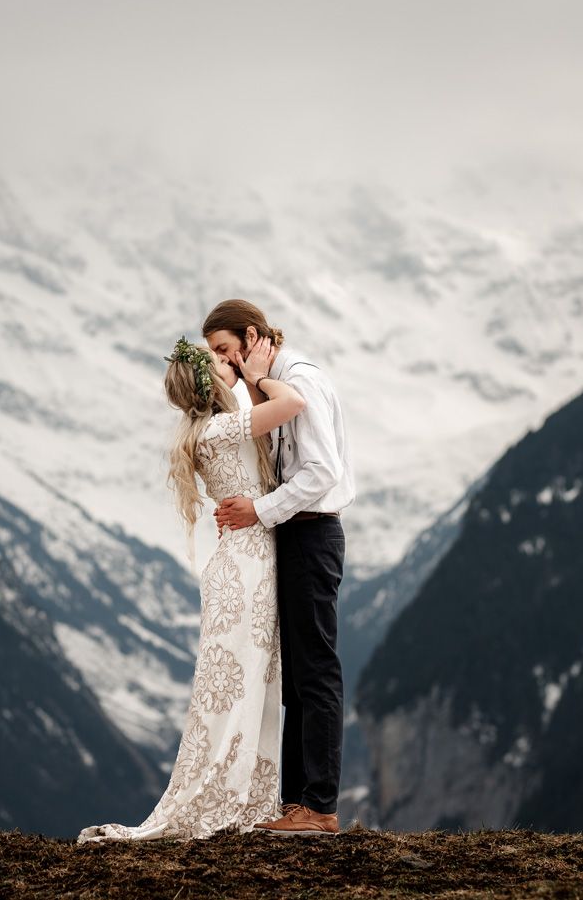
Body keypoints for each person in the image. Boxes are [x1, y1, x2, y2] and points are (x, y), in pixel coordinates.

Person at [77, 334, 304, 842]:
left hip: (244, 562)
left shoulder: (206, 430)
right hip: (246, 567)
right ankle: (234, 798)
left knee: (250, 682)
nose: (231, 363)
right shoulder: (221, 428)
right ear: (210, 382)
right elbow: (294, 403)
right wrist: (258, 376)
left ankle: (248, 797)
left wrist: (245, 380)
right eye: (222, 363)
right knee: (242, 684)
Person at [206, 299, 355, 837]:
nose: (221, 361)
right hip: (294, 534)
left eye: (224, 349)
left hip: (312, 532)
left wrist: (258, 511)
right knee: (296, 675)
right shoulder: (270, 382)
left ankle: (319, 806)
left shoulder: (300, 380)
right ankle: (296, 804)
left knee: (315, 669)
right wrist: (253, 383)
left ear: (251, 336)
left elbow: (321, 471)